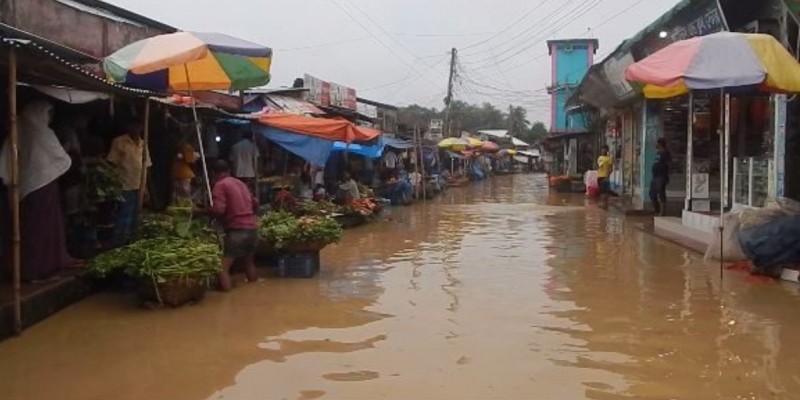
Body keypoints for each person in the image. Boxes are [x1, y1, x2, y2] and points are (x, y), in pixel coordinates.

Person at [0, 100, 82, 282]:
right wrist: (67, 150)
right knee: (41, 230)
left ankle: (24, 268)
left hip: (24, 187)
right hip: (42, 187)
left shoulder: (17, 128)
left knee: (27, 228)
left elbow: (9, 159)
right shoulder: (42, 132)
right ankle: (37, 271)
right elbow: (60, 158)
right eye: (49, 114)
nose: (50, 118)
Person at [208, 160, 258, 291]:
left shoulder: (220, 185)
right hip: (252, 229)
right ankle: (254, 292)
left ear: (213, 173)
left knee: (222, 268)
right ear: (229, 171)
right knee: (249, 263)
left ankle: (227, 299)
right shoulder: (241, 183)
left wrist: (203, 211)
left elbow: (219, 209)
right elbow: (255, 203)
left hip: (237, 231)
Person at [107, 120, 151, 247]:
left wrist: (146, 188)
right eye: (133, 125)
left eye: (139, 126)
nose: (136, 129)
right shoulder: (119, 142)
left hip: (139, 186)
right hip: (124, 185)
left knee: (136, 216)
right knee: (123, 215)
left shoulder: (143, 144)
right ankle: (118, 244)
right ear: (128, 126)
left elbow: (146, 167)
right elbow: (111, 164)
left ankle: (131, 242)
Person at [171, 132, 198, 204]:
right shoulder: (174, 147)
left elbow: (190, 159)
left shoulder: (186, 146)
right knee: (177, 192)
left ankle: (187, 205)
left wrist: (182, 156)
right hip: (176, 173)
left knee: (185, 191)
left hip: (184, 173)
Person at [650, 138, 672, 216]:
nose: (656, 145)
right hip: (655, 176)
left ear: (660, 144)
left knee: (661, 192)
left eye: (657, 143)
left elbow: (669, 164)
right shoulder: (658, 153)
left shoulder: (666, 153)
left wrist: (666, 174)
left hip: (661, 176)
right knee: (652, 193)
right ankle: (657, 210)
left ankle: (662, 212)